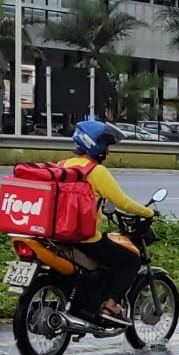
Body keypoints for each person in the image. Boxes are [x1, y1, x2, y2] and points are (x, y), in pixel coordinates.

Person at [62, 120, 155, 326]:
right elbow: (122, 202)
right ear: (95, 144)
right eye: (107, 146)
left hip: (59, 236)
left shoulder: (64, 165)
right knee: (130, 260)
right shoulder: (96, 171)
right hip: (85, 239)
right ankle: (111, 305)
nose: (108, 152)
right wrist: (148, 212)